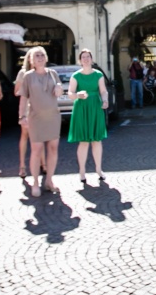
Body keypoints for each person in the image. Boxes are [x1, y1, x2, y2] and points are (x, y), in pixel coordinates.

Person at [18, 46, 63, 198]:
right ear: (32, 59)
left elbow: (60, 89)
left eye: (42, 55)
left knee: (53, 148)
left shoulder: (53, 73)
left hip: (53, 116)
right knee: (36, 150)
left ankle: (49, 180)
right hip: (36, 117)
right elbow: (24, 97)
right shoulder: (28, 76)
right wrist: (21, 117)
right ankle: (35, 182)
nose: (40, 58)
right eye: (37, 55)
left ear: (46, 58)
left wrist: (58, 87)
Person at [67, 48, 109, 184]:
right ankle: (82, 171)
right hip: (81, 108)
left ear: (91, 59)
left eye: (88, 57)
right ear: (80, 60)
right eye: (83, 57)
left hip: (95, 107)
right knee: (84, 141)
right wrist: (78, 95)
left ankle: (99, 169)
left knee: (97, 140)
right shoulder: (76, 76)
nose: (86, 59)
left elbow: (103, 91)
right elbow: (70, 94)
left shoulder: (98, 75)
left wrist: (105, 100)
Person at [14, 48, 43, 180]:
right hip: (27, 107)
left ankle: (43, 164)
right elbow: (16, 92)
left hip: (40, 108)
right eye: (34, 56)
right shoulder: (23, 73)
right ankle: (22, 165)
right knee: (25, 135)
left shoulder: (42, 72)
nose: (37, 58)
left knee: (40, 136)